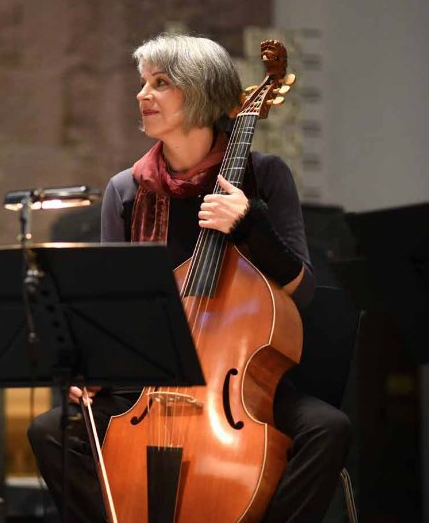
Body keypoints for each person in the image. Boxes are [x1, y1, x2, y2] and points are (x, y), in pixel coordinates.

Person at [28, 34, 351, 522]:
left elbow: (302, 292)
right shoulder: (126, 191)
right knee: (51, 430)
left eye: (160, 83)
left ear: (201, 92)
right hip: (150, 382)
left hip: (239, 380)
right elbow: (110, 306)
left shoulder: (264, 177)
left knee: (328, 429)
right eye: (143, 82)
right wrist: (90, 370)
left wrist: (250, 226)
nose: (143, 94)